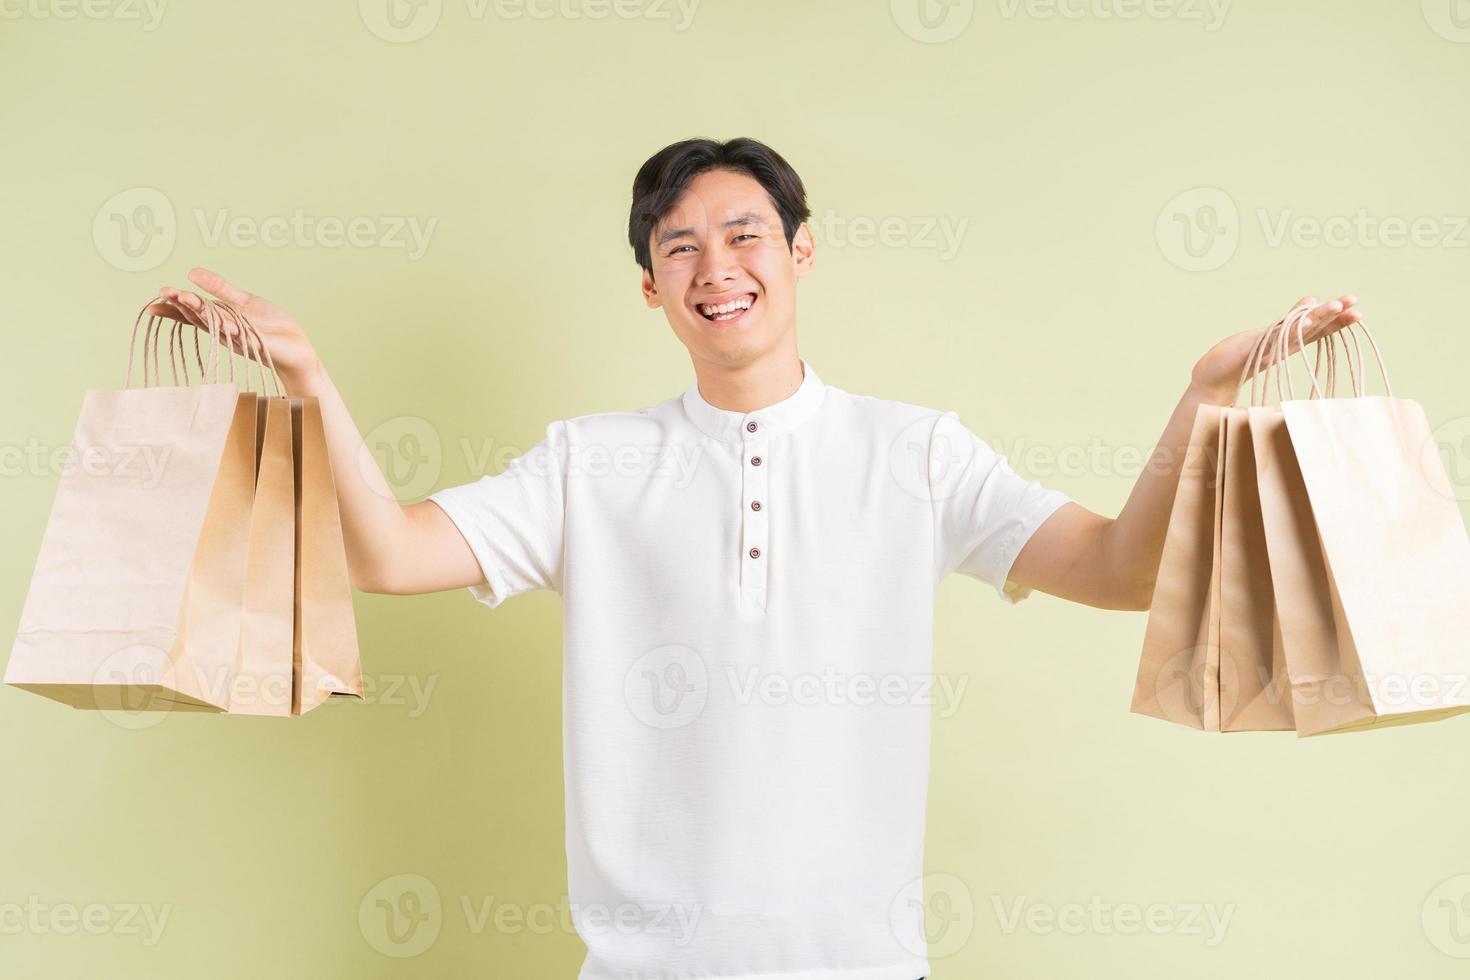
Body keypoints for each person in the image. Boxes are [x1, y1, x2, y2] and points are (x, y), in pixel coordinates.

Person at [154, 137, 1361, 980]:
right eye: (680, 250)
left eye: (744, 235)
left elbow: (1114, 566)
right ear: (650, 289)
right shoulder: (591, 462)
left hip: (869, 959)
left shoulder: (917, 451)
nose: (716, 268)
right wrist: (308, 384)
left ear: (801, 252)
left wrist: (1202, 400)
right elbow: (392, 550)